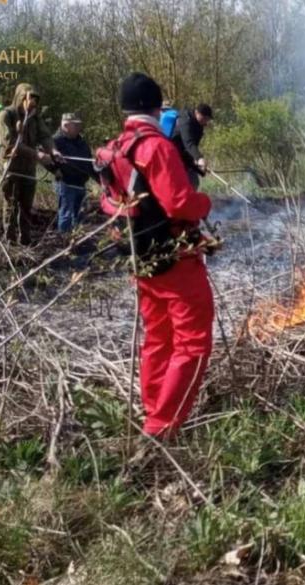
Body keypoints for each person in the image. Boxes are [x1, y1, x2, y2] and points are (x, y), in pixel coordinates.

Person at [98, 72, 214, 439]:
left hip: (139, 258)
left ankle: (153, 410)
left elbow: (109, 203)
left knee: (159, 337)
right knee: (193, 340)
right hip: (173, 257)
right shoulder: (155, 147)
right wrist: (205, 202)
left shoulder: (114, 147)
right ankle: (163, 425)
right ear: (157, 106)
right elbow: (180, 204)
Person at [0, 82, 63, 245]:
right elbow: (11, 142)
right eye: (29, 98)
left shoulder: (35, 116)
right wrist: (37, 154)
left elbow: (45, 136)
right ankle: (10, 241)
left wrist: (53, 150)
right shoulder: (5, 116)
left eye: (35, 99)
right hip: (10, 168)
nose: (32, 102)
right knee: (11, 205)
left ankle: (25, 240)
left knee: (26, 205)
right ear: (20, 98)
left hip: (28, 168)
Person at [52, 112, 95, 233]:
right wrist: (56, 170)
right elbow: (45, 159)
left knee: (80, 214)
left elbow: (89, 162)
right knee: (66, 215)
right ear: (66, 125)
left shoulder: (81, 141)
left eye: (78, 125)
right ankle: (64, 241)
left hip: (81, 183)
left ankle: (78, 239)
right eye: (75, 125)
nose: (78, 128)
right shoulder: (55, 141)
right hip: (66, 184)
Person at [170, 103, 213, 190]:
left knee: (194, 182)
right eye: (204, 118)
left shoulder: (199, 126)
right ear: (197, 112)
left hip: (185, 157)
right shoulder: (184, 121)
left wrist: (199, 166)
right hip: (172, 155)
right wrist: (199, 158)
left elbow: (191, 148)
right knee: (179, 185)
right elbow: (188, 142)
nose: (205, 121)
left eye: (207, 119)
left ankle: (190, 202)